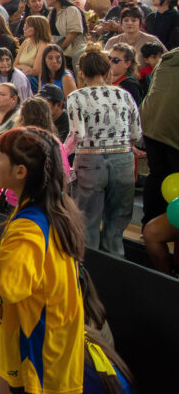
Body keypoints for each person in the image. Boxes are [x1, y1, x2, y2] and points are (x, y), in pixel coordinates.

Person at [0, 127, 86, 394]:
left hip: (37, 348)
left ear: (21, 171)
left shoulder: (30, 229)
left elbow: (0, 289)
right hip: (18, 336)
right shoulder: (40, 207)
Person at [66, 47, 142, 256]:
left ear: (82, 72)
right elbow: (136, 132)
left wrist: (61, 153)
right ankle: (114, 265)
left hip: (90, 161)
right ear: (107, 70)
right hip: (123, 160)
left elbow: (77, 134)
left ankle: (89, 270)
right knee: (116, 226)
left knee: (87, 223)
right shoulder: (124, 94)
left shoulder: (76, 96)